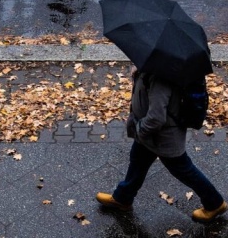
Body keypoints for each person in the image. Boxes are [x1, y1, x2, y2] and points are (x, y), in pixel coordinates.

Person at [96, 67, 227, 223]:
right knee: (137, 161)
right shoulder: (153, 70)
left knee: (183, 170)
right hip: (150, 137)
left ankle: (215, 203)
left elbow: (156, 118)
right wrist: (138, 74)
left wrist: (140, 130)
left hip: (163, 138)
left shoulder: (160, 78)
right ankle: (122, 198)